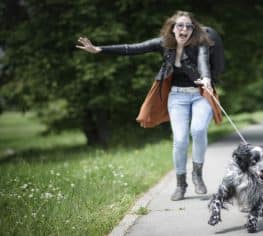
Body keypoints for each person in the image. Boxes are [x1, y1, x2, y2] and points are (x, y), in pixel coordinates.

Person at [76, 10, 223, 201]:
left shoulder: (200, 44)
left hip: (200, 95)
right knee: (179, 140)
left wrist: (206, 79)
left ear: (192, 30)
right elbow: (132, 48)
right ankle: (181, 184)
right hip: (177, 97)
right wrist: (100, 49)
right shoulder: (163, 44)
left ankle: (197, 173)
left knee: (198, 130)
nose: (184, 29)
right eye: (180, 25)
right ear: (172, 28)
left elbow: (204, 63)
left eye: (188, 26)